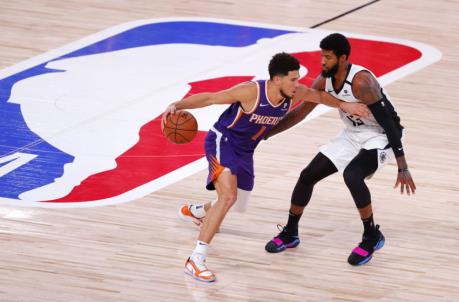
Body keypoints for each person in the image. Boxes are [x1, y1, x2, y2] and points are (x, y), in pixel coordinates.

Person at [162, 52, 369, 282]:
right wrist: (177, 104)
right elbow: (211, 97)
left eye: (297, 79)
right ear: (277, 79)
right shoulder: (251, 91)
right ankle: (196, 259)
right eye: (292, 79)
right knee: (228, 197)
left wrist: (345, 105)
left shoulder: (293, 92)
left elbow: (317, 96)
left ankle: (199, 212)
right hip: (223, 141)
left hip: (246, 150)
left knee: (238, 202)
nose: (296, 84)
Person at [262, 33, 417, 266]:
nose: (322, 62)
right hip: (353, 134)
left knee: (353, 175)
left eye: (328, 58)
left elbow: (389, 124)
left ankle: (372, 235)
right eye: (321, 57)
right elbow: (300, 113)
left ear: (343, 58)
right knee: (307, 176)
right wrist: (265, 133)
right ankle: (291, 233)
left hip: (381, 135)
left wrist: (402, 166)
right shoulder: (324, 82)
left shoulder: (361, 82)